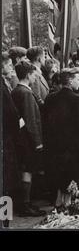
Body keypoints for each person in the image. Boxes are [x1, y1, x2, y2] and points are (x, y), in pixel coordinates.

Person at [43, 68, 79, 211]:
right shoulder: (76, 99)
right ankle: (70, 203)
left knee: (59, 172)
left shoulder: (50, 97)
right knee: (73, 173)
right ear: (70, 81)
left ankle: (59, 202)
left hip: (55, 143)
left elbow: (45, 120)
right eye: (78, 80)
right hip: (73, 144)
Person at [11, 61, 46, 216]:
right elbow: (31, 119)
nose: (35, 77)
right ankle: (25, 205)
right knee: (28, 171)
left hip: (21, 138)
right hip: (28, 140)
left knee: (25, 170)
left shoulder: (16, 90)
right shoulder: (25, 93)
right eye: (33, 74)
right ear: (27, 75)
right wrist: (37, 142)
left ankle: (25, 203)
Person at [2, 53, 21, 226]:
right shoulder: (2, 86)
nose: (11, 69)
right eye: (9, 65)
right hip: (5, 142)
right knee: (5, 185)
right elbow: (10, 113)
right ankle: (4, 222)